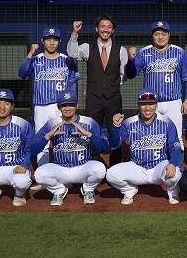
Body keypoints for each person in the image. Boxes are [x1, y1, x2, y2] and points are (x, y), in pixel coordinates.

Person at [18, 26, 80, 186]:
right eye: (48, 39)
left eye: (55, 39)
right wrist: (30, 53)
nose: (51, 42)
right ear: (42, 41)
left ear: (59, 41)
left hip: (61, 107)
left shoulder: (66, 60)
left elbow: (72, 84)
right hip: (41, 107)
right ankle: (43, 178)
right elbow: (22, 73)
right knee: (42, 142)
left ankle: (65, 176)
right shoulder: (36, 59)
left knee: (64, 140)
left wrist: (72, 104)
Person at [66, 15, 128, 167]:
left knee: (115, 131)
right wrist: (75, 33)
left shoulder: (121, 50)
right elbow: (72, 54)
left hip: (114, 98)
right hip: (93, 98)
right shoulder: (87, 47)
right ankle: (94, 166)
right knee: (92, 131)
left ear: (113, 30)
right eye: (102, 26)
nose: (105, 29)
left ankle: (115, 168)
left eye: (109, 27)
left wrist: (110, 85)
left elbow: (124, 74)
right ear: (96, 29)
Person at [31, 90, 109, 206]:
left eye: (71, 105)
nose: (68, 108)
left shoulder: (88, 122)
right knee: (39, 174)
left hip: (83, 168)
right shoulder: (52, 124)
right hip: (61, 169)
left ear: (77, 105)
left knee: (100, 169)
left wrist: (88, 134)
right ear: (59, 107)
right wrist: (48, 136)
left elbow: (105, 147)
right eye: (64, 105)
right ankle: (59, 190)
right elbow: (33, 150)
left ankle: (88, 189)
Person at [125, 21, 187, 147]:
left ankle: (177, 161)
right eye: (157, 34)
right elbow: (131, 74)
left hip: (173, 102)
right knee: (152, 137)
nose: (160, 37)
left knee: (176, 137)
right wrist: (131, 60)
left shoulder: (179, 52)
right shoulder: (143, 52)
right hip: (151, 102)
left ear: (169, 35)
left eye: (163, 34)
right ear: (152, 35)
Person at [106, 89, 183, 205]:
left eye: (151, 104)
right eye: (143, 104)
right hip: (137, 167)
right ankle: (129, 190)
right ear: (138, 105)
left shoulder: (166, 122)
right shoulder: (129, 123)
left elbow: (176, 146)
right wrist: (115, 127)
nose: (147, 108)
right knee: (111, 174)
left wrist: (172, 163)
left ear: (156, 105)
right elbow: (114, 145)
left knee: (175, 173)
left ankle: (173, 190)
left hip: (159, 167)